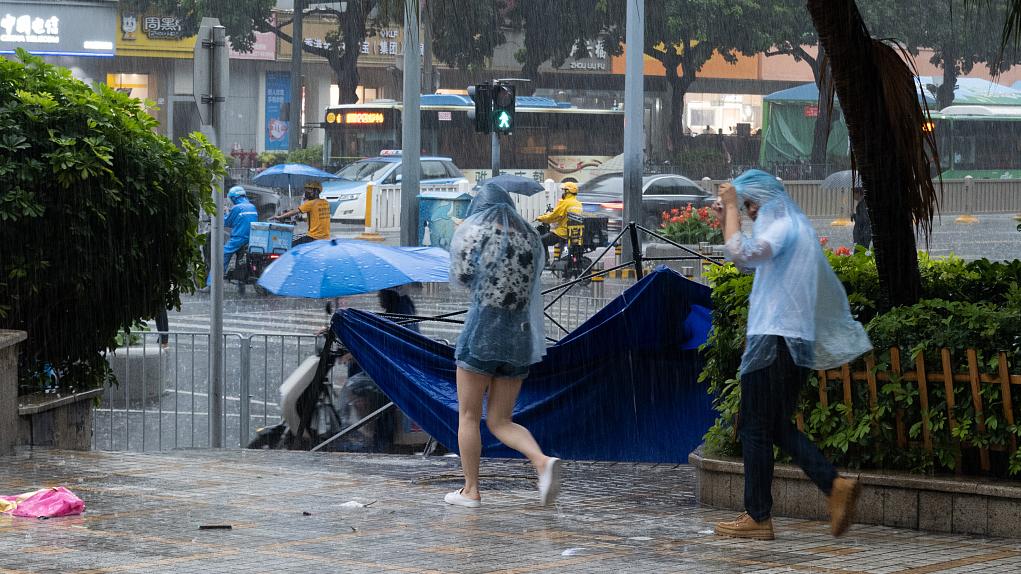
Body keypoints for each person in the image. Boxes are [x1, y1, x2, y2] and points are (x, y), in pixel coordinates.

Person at [712, 169, 873, 540]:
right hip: (791, 342)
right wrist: (731, 214)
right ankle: (832, 486)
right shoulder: (792, 226)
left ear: (763, 201)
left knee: (754, 426)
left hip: (774, 341)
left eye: (750, 205)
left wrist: (731, 207)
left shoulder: (782, 227)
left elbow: (742, 254)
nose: (750, 213)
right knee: (775, 426)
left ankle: (759, 516)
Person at [445, 183, 561, 509]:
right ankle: (541, 461)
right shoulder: (530, 240)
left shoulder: (477, 233)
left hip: (483, 330)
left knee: (469, 416)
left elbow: (462, 276)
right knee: (501, 420)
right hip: (519, 335)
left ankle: (471, 490)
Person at [207, 186, 258, 287]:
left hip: (239, 238)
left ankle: (211, 285)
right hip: (252, 238)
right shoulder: (252, 206)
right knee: (241, 256)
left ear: (234, 198)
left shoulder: (237, 208)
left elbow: (226, 222)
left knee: (221, 256)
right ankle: (241, 282)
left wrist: (224, 212)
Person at [270, 181, 331, 245]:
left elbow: (295, 212)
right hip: (326, 238)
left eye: (309, 190)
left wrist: (280, 217)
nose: (306, 192)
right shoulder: (325, 202)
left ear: (316, 191)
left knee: (290, 245)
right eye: (306, 190)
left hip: (314, 237)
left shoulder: (310, 204)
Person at [535, 181, 582, 262]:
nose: (562, 192)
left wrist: (540, 218)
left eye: (564, 190)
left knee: (541, 240)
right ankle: (557, 260)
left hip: (563, 232)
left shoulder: (565, 203)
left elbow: (553, 216)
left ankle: (545, 262)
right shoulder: (578, 204)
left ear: (568, 192)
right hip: (574, 233)